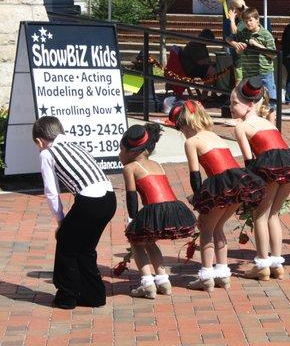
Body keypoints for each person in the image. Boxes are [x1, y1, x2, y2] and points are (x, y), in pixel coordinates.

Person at [168, 100, 266, 291]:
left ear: (185, 124)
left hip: (220, 188)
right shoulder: (215, 136)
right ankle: (222, 273)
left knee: (205, 229)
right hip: (238, 185)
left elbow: (195, 176)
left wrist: (200, 202)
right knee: (218, 228)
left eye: (179, 128)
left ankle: (206, 276)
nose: (181, 132)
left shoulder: (191, 142)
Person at [231, 77, 290, 280]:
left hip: (269, 166)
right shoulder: (269, 124)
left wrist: (250, 188)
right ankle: (277, 262)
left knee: (260, 215)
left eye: (234, 103)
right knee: (274, 214)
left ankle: (262, 264)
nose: (230, 107)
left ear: (250, 105)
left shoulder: (241, 127)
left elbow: (249, 160)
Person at [34, 116, 116, 309]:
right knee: (86, 249)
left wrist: (61, 222)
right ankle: (95, 296)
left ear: (39, 141)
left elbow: (51, 192)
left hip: (90, 201)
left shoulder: (47, 153)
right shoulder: (75, 145)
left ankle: (67, 297)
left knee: (66, 244)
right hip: (109, 199)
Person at [120, 124, 197, 299]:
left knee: (136, 240)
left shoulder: (129, 168)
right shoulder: (157, 164)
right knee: (150, 242)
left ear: (130, 152)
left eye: (121, 149)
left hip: (154, 208)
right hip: (172, 206)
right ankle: (163, 280)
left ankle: (147, 283)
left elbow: (132, 196)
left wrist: (132, 218)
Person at [226, 8, 277, 117]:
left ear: (257, 20)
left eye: (250, 20)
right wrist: (236, 44)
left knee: (270, 102)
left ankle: (273, 126)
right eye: (246, 21)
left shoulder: (266, 35)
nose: (248, 23)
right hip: (248, 73)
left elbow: (273, 54)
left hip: (264, 72)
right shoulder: (243, 33)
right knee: (249, 101)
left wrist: (256, 44)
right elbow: (229, 38)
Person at [223, 0, 248, 84]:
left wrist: (232, 20)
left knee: (240, 85)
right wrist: (233, 43)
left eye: (231, 9)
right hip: (239, 57)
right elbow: (228, 37)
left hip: (245, 59)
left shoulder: (245, 19)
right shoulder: (240, 19)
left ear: (235, 9)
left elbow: (235, 32)